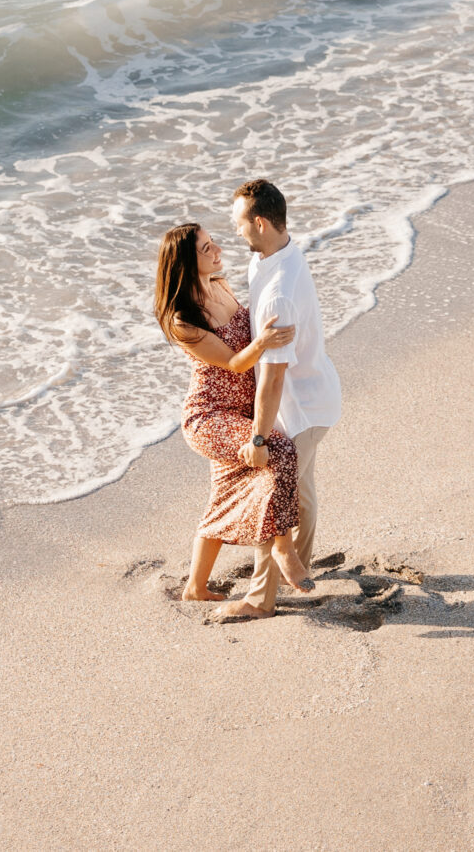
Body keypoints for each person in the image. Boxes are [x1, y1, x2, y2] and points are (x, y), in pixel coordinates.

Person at [152, 221, 299, 618]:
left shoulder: (220, 284)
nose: (216, 251)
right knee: (280, 449)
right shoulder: (183, 319)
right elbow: (235, 363)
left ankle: (195, 588)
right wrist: (264, 343)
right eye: (205, 249)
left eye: (213, 243)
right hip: (211, 416)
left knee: (221, 500)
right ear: (184, 262)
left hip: (242, 411)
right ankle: (283, 545)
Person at [233, 176, 341, 601]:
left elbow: (274, 377)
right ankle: (300, 573)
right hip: (315, 397)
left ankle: (261, 598)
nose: (235, 230)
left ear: (260, 223)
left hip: (302, 411)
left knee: (270, 499)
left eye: (239, 222)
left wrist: (258, 438)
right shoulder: (275, 257)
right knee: (303, 495)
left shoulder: (279, 293)